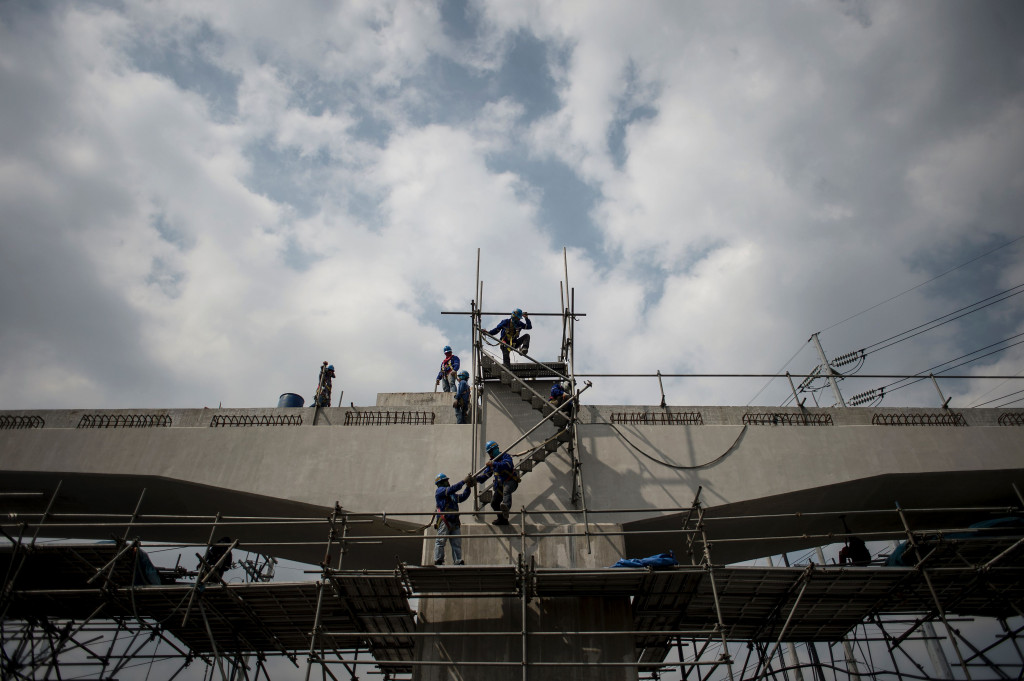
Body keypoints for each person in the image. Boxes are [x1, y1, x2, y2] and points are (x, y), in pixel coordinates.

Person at [475, 440, 519, 525]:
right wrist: (476, 479)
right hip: (500, 486)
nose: (490, 454)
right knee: (494, 503)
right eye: (489, 452)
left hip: (510, 482)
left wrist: (494, 463)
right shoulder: (492, 462)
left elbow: (508, 465)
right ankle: (502, 520)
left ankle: (506, 507)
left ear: (495, 449)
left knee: (506, 491)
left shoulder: (506, 456)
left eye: (490, 452)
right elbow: (486, 475)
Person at [433, 473, 471, 565]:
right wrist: (463, 482)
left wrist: (468, 487)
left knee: (456, 543)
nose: (448, 482)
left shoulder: (451, 495)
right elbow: (452, 489)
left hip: (454, 521)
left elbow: (461, 498)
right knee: (441, 541)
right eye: (446, 481)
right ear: (441, 482)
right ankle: (438, 559)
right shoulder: (440, 491)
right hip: (445, 519)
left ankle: (458, 560)